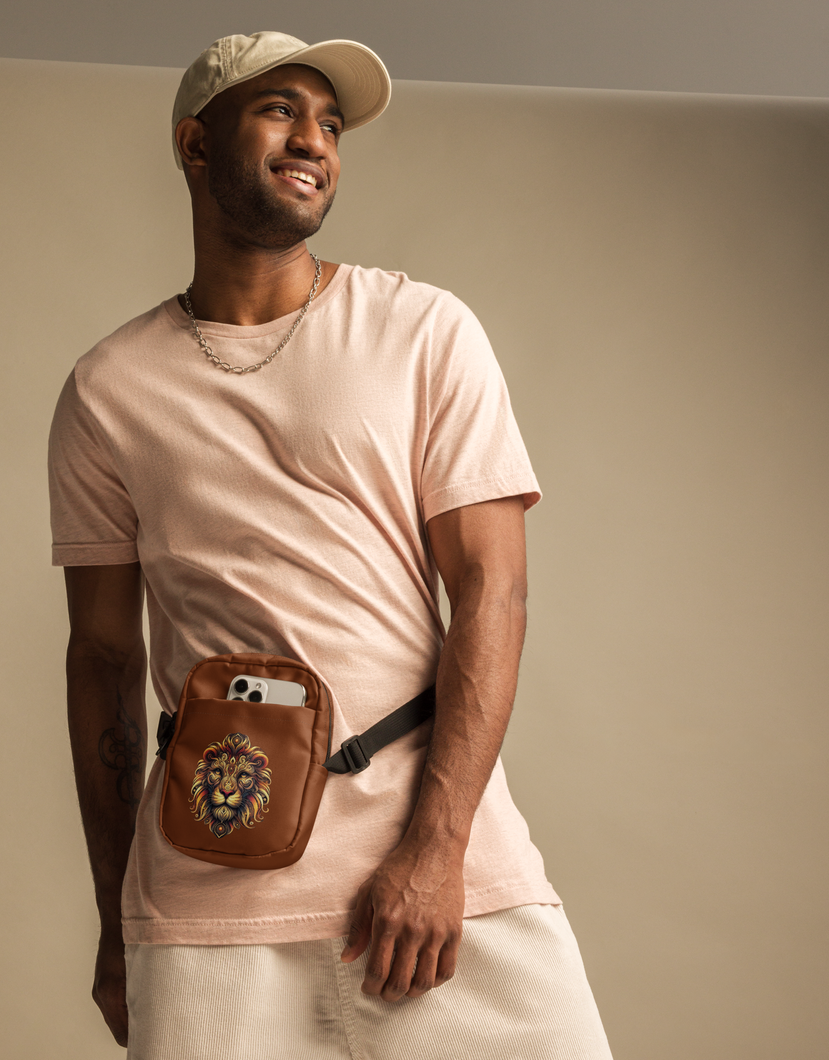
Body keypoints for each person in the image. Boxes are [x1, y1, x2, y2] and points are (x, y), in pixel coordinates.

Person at [49, 30, 613, 1060]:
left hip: (441, 869)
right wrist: (113, 920)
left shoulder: (422, 329)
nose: (314, 139)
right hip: (208, 891)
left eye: (331, 124)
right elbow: (102, 658)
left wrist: (436, 852)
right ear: (195, 144)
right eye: (280, 111)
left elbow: (493, 590)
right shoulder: (108, 388)